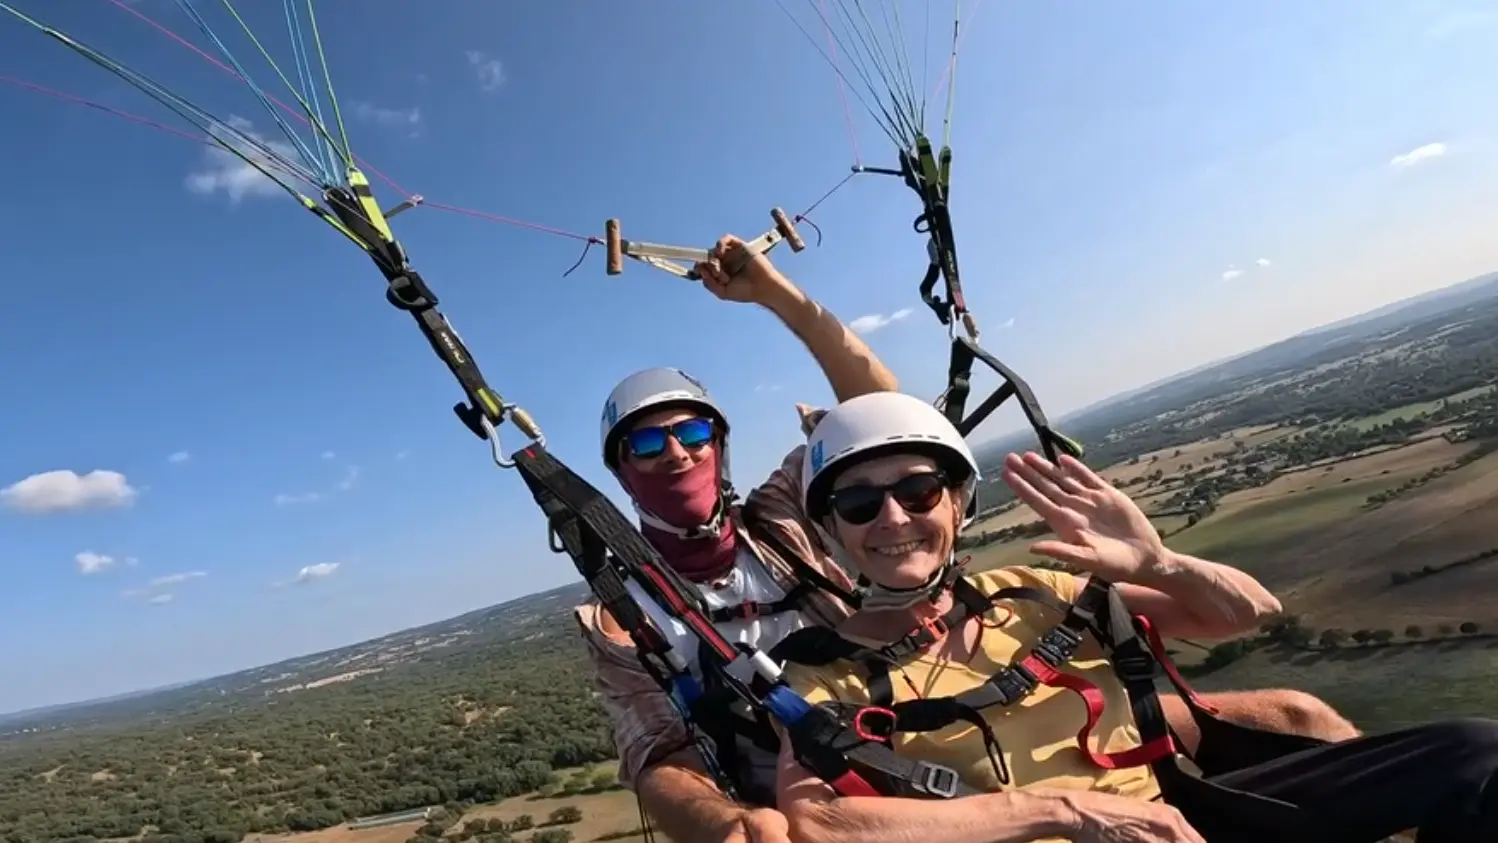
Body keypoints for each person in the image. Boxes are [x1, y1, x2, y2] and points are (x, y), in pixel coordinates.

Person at [575, 237, 1359, 843]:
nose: (675, 452)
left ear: (719, 442)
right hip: (828, 766)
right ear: (619, 471)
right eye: (646, 445)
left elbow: (884, 420)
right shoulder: (624, 614)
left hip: (945, 683)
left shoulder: (789, 511)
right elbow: (658, 761)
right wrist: (730, 824)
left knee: (1297, 715)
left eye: (690, 432)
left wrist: (779, 297)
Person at [773, 390, 1498, 843]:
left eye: (919, 489)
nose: (894, 516)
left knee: (1477, 754)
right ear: (832, 531)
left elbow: (1247, 612)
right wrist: (1061, 809)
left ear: (958, 504)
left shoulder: (1031, 589)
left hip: (1185, 814)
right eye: (860, 503)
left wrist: (1160, 565)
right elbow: (819, 823)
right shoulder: (821, 668)